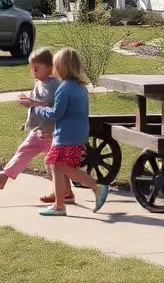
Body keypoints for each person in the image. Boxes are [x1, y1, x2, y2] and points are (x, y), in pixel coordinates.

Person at [20, 47, 108, 216]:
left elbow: (55, 114)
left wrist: (37, 108)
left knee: (61, 166)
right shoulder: (79, 87)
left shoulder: (64, 88)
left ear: (62, 67)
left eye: (55, 65)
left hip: (65, 135)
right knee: (58, 165)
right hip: (78, 134)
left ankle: (95, 188)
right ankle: (61, 203)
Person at [0, 48, 62, 201]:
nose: (33, 72)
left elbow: (48, 106)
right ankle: (63, 191)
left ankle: (3, 178)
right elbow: (37, 104)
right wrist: (29, 118)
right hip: (42, 130)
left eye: (36, 68)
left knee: (28, 151)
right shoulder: (41, 83)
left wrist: (31, 103)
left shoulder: (52, 85)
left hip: (47, 131)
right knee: (52, 162)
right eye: (31, 68)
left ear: (50, 68)